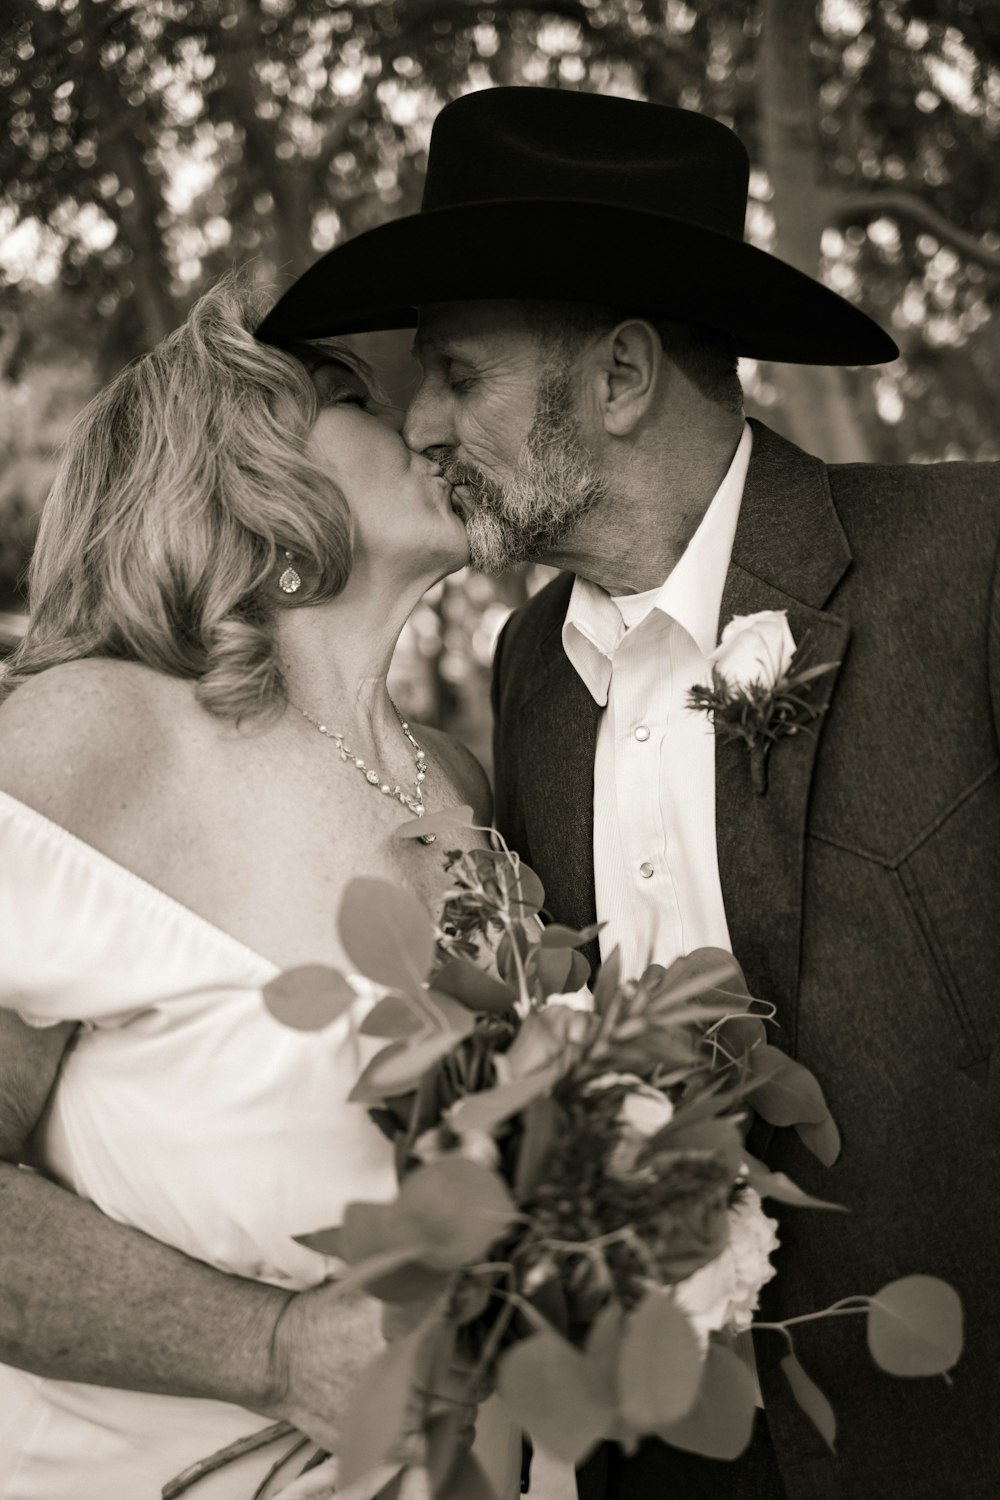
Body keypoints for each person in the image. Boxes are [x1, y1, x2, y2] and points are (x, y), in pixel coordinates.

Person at [257, 88, 1000, 1500]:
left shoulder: (970, 570)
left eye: (457, 375)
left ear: (617, 377)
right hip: (664, 1452)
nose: (417, 424)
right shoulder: (533, 673)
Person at [0, 277, 522, 1499]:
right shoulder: (95, 737)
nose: (417, 422)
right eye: (353, 396)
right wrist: (274, 1352)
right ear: (243, 469)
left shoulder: (459, 784)